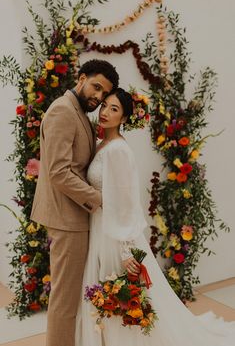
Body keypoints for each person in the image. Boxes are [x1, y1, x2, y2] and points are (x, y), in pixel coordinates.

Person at [76, 88, 235, 346]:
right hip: (100, 227)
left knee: (119, 295)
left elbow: (126, 202)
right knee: (104, 294)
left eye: (113, 109)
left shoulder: (118, 150)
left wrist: (127, 250)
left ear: (125, 118)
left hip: (115, 236)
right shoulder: (102, 143)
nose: (104, 112)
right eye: (104, 105)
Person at [30, 59, 119, 346]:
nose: (98, 97)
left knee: (70, 297)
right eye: (96, 87)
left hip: (75, 216)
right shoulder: (62, 112)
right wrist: (100, 199)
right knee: (65, 301)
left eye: (104, 94)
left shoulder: (77, 110)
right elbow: (58, 171)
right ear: (81, 78)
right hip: (66, 218)